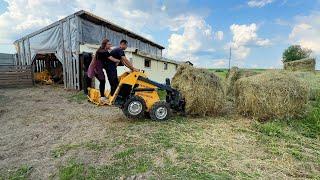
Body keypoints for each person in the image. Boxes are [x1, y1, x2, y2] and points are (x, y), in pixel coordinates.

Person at [87, 39, 121, 103]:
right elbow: (112, 59)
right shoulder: (103, 52)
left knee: (102, 81)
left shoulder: (102, 50)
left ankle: (102, 96)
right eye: (109, 44)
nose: (110, 45)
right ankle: (102, 97)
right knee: (102, 81)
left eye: (110, 44)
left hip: (97, 67)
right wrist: (119, 61)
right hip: (96, 68)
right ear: (105, 44)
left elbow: (109, 51)